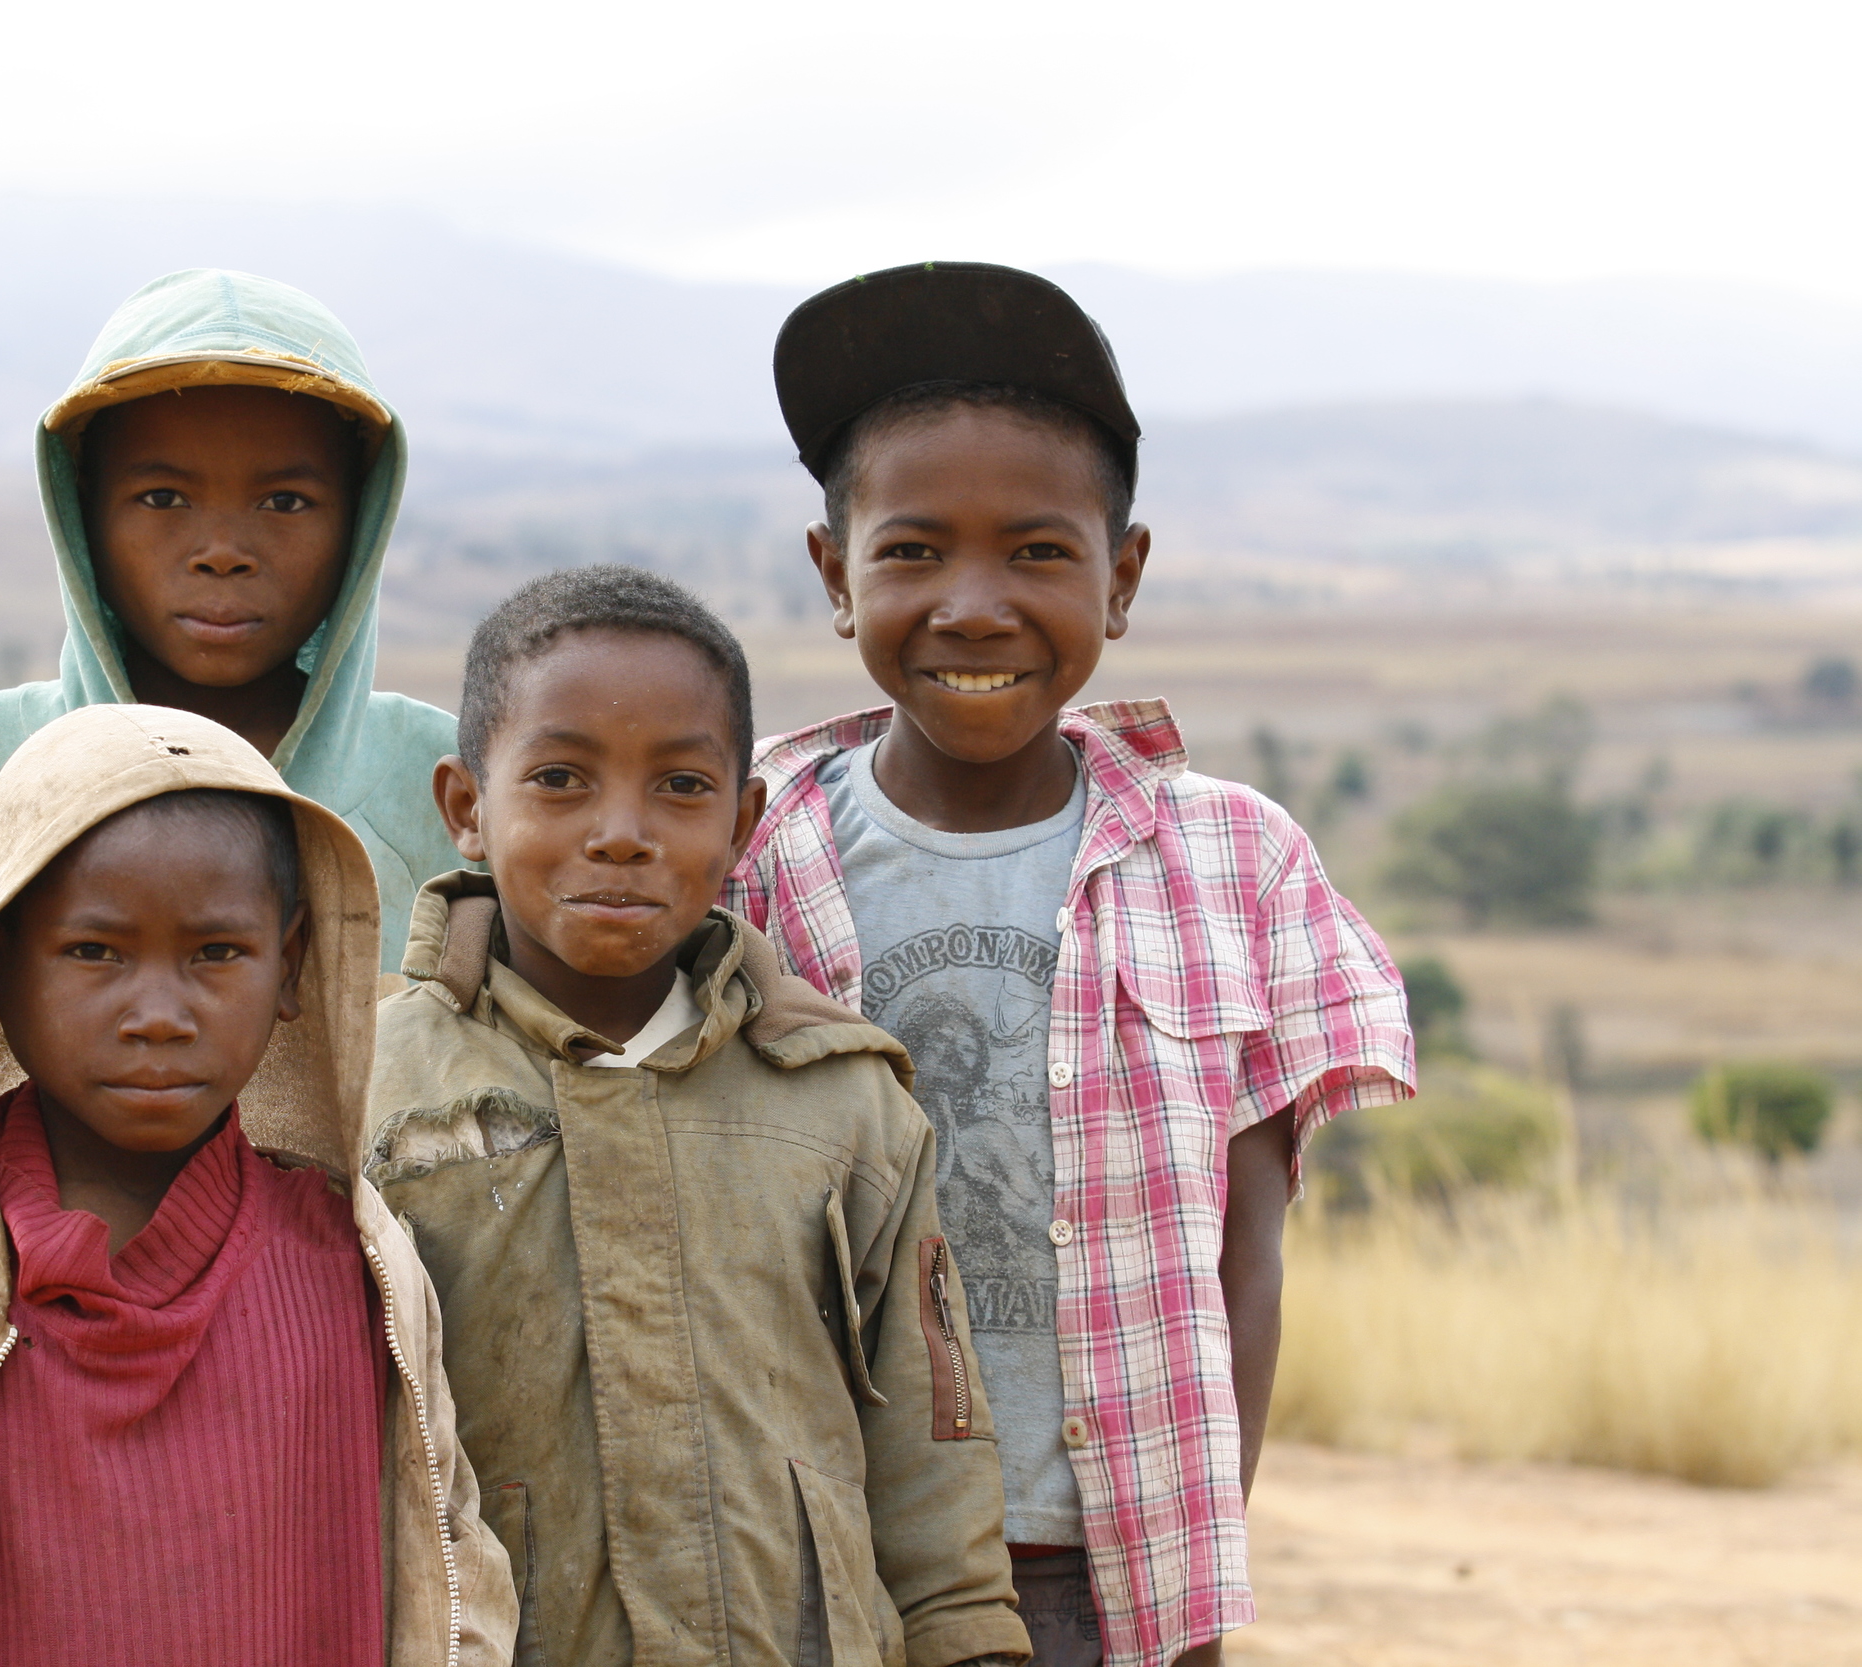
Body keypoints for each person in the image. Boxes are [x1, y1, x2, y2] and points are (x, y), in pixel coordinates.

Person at [725, 263, 1416, 1667]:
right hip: (812, 1564)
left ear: (1124, 576)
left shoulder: (1238, 862)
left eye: (1038, 552)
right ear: (832, 574)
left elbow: (1250, 1248)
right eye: (912, 549)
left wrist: (1193, 1569)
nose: (974, 605)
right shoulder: (739, 850)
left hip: (1105, 1579)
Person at [0, 703, 515, 1667]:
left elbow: (447, 1552)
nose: (160, 1014)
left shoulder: (357, 1260)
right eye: (95, 952)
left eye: (216, 952)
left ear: (290, 966)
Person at [367, 566, 1033, 1667]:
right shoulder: (369, 1097)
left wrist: (968, 1640)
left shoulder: (843, 1098)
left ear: (741, 821)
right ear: (465, 809)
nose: (621, 832)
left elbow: (931, 1445)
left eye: (679, 786)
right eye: (560, 779)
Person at [0, 268, 464, 1247]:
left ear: (358, 525)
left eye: (286, 500)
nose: (223, 548)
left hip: (355, 1379)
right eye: (160, 496)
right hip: (35, 1377)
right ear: (85, 521)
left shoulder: (445, 777)